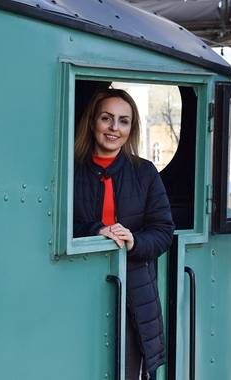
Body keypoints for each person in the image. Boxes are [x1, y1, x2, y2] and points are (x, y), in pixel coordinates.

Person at [73, 88, 174, 380]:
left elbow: (163, 230)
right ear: (93, 122)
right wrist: (96, 231)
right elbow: (58, 224)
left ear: (131, 128)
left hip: (135, 292)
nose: (114, 128)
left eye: (123, 121)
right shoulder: (71, 169)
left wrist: (135, 241)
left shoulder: (144, 172)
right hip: (79, 289)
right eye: (107, 118)